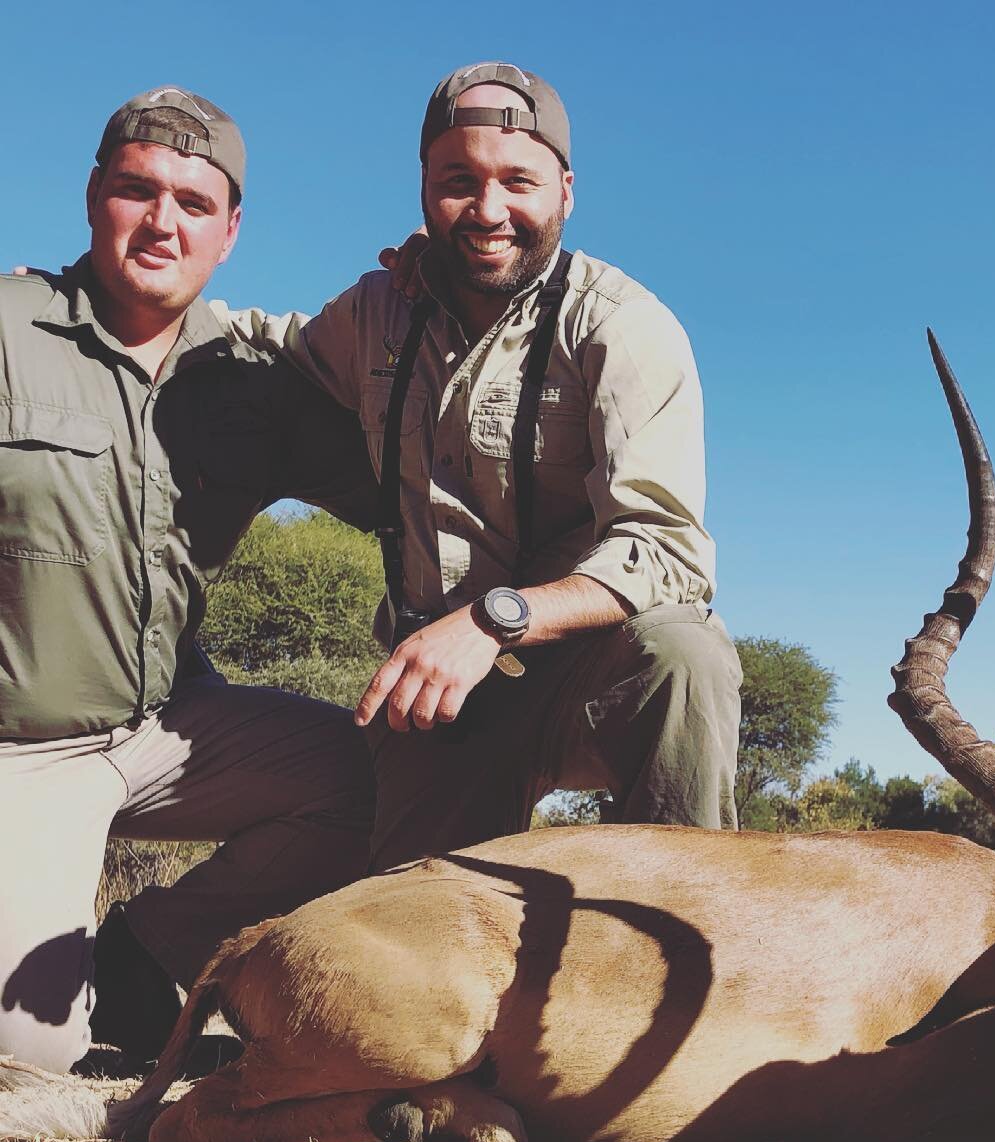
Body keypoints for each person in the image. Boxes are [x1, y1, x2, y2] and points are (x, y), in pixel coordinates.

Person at [216, 63, 742, 871]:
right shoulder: (376, 309)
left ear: (565, 190)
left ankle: (688, 928)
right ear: (425, 187)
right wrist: (83, 296)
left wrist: (488, 623)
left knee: (684, 653)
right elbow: (261, 340)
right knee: (409, 945)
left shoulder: (623, 326)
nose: (490, 211)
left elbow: (668, 554)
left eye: (518, 182)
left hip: (578, 669)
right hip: (442, 698)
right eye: (459, 181)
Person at [0, 88, 380, 1070]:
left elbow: (409, 486)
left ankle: (149, 949)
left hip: (174, 726)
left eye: (193, 202)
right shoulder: (6, 330)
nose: (162, 222)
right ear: (94, 195)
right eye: (137, 190)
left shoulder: (255, 381)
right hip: (24, 750)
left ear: (230, 230)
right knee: (27, 1057)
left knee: (390, 781)